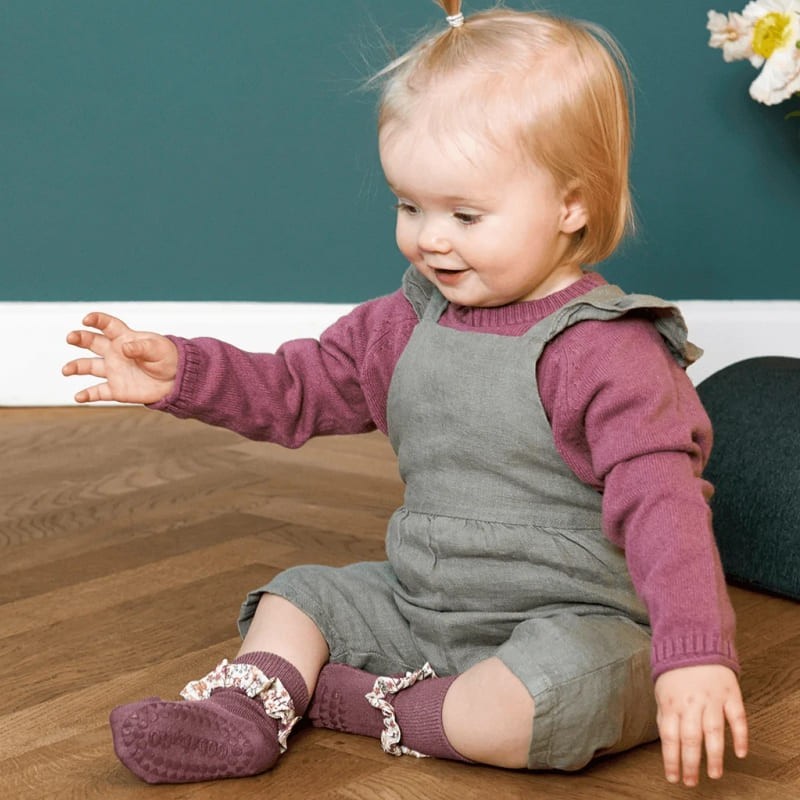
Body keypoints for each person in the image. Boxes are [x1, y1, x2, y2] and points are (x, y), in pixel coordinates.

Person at [62, 0, 748, 789]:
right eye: (409, 205)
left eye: (465, 214)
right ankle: (241, 717)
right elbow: (297, 386)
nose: (430, 237)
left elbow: (663, 507)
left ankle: (349, 701)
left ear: (573, 204)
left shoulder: (608, 351)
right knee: (299, 597)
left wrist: (694, 655)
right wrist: (185, 374)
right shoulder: (407, 320)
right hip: (421, 602)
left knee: (545, 703)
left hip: (572, 624)